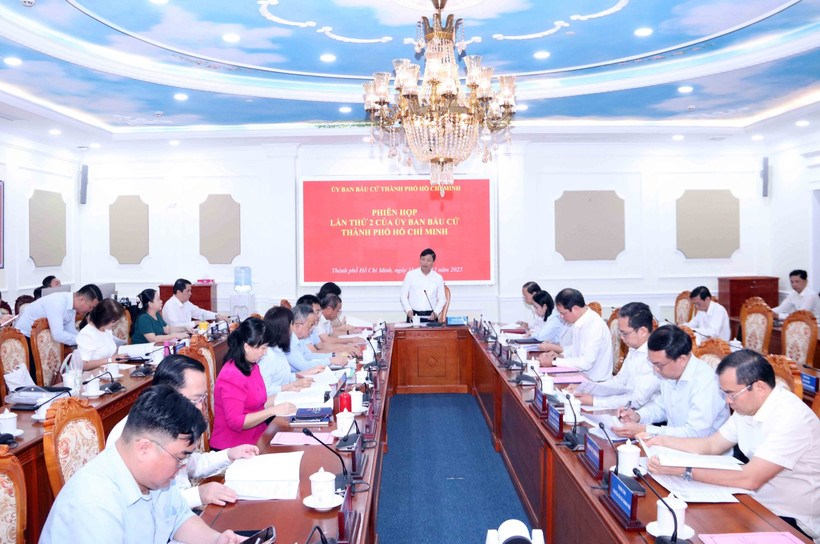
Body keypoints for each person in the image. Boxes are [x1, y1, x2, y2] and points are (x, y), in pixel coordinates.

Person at [644, 350, 819, 541]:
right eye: (724, 393)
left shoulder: (790, 417)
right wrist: (661, 439)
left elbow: (750, 478)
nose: (727, 401)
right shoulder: (748, 406)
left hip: (790, 519)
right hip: (752, 500)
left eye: (731, 394)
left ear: (759, 387)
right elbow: (712, 445)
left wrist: (683, 471)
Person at [40, 385, 242, 544]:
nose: (182, 466)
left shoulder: (154, 477)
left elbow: (179, 518)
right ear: (144, 449)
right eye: (180, 458)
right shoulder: (94, 506)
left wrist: (217, 539)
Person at [107, 354, 258, 509]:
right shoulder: (132, 434)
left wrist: (228, 455)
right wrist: (199, 495)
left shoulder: (172, 421)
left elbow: (190, 464)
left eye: (203, 398)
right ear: (169, 394)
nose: (200, 407)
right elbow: (150, 506)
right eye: (195, 400)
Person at [614, 324, 729, 438]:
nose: (655, 370)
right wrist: (637, 416)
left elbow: (694, 433)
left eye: (659, 365)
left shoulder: (706, 381)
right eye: (652, 363)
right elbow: (662, 407)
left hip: (701, 448)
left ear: (682, 360)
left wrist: (645, 429)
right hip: (671, 444)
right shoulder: (670, 373)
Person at [211, 318, 296, 450]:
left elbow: (259, 404)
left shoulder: (252, 366)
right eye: (263, 348)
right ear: (247, 347)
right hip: (235, 446)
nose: (265, 352)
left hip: (257, 437)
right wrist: (273, 410)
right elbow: (236, 422)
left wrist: (286, 395)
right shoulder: (231, 375)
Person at [570, 302, 661, 409]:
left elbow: (637, 400)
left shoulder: (655, 357)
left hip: (642, 414)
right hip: (624, 407)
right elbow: (619, 382)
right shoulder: (634, 349)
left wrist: (595, 401)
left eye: (625, 333)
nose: (621, 337)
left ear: (642, 331)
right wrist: (587, 388)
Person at [537, 288, 613, 382]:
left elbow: (586, 363)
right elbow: (576, 349)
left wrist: (554, 361)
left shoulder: (594, 325)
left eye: (563, 313)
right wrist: (561, 356)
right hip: (580, 376)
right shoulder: (580, 321)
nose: (561, 317)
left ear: (575, 309)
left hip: (595, 382)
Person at [17, 283, 102, 346]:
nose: (91, 310)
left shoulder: (72, 305)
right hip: (23, 340)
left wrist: (88, 338)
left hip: (39, 340)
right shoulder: (58, 302)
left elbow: (70, 331)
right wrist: (84, 341)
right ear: (82, 299)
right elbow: (58, 335)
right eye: (91, 307)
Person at [258, 306, 314, 396]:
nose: (293, 329)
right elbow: (265, 391)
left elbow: (280, 378)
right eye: (292, 324)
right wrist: (294, 384)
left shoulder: (278, 349)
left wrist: (297, 377)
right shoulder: (268, 355)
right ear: (284, 328)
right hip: (275, 401)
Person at [284, 303, 348, 372]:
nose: (312, 329)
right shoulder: (288, 341)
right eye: (311, 325)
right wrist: (330, 361)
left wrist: (333, 355)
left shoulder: (300, 338)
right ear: (298, 325)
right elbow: (304, 367)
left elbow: (309, 356)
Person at [76, 298, 130, 370]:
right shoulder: (87, 334)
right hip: (92, 374)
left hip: (107, 370)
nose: (115, 323)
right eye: (114, 321)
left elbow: (109, 354)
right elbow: (84, 365)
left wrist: (118, 357)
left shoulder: (106, 329)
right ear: (103, 319)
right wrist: (110, 360)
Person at [162, 278, 229, 330]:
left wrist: (216, 315)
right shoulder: (170, 305)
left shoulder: (186, 303)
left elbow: (200, 312)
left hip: (186, 335)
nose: (190, 293)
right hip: (174, 339)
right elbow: (175, 326)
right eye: (188, 291)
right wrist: (196, 323)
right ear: (179, 292)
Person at [400, 248, 445, 322]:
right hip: (413, 315)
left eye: (428, 260)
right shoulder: (410, 275)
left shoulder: (438, 278)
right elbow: (403, 295)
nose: (425, 263)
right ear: (420, 260)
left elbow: (442, 299)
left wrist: (436, 313)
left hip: (431, 316)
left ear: (433, 262)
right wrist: (408, 310)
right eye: (423, 259)